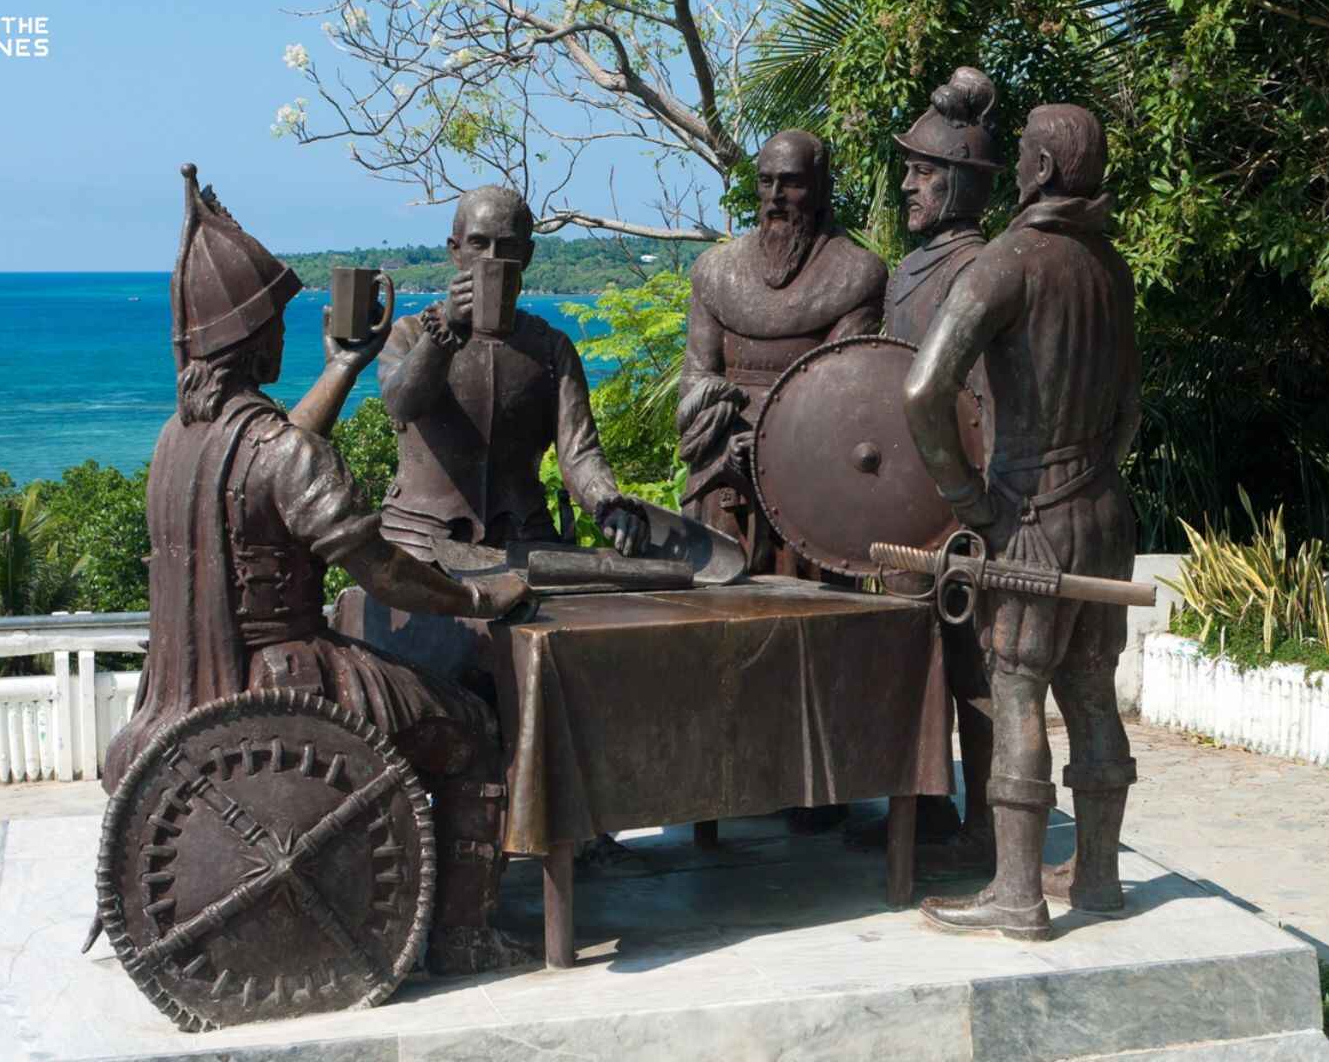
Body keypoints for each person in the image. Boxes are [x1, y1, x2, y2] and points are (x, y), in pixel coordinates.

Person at [103, 164, 533, 973]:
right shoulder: (276, 450)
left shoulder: (175, 442)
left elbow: (280, 452)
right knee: (472, 732)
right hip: (284, 673)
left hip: (177, 689)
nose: (280, 333)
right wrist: (474, 593)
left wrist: (343, 364)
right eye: (274, 322)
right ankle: (461, 937)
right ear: (252, 339)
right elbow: (381, 571)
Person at [903, 105, 1142, 939]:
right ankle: (1102, 882)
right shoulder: (1112, 268)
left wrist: (970, 500)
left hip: (1030, 514)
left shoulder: (1006, 264)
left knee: (1017, 695)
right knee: (1091, 690)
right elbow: (1131, 409)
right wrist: (1089, 472)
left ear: (1036, 170)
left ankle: (1017, 895)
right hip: (1106, 510)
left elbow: (923, 392)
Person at [848, 68, 1005, 856]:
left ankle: (986, 820)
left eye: (923, 172)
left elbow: (984, 397)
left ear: (961, 184)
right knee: (912, 658)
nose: (907, 183)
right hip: (906, 496)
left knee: (974, 660)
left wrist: (974, 499)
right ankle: (924, 807)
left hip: (961, 497)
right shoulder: (908, 271)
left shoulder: (982, 267)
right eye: (908, 169)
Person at [375, 185, 648, 560]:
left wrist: (608, 504)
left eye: (507, 247)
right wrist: (446, 331)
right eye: (478, 244)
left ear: (528, 255)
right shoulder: (410, 334)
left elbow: (579, 452)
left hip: (525, 540)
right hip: (419, 541)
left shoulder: (551, 347)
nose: (492, 258)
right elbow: (402, 404)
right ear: (455, 250)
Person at [679, 130, 887, 577]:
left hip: (807, 491)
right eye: (766, 181)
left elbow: (839, 395)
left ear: (820, 189)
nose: (775, 197)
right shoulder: (715, 273)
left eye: (791, 182)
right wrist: (722, 438)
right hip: (724, 483)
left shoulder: (856, 275)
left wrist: (771, 445)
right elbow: (696, 380)